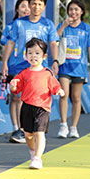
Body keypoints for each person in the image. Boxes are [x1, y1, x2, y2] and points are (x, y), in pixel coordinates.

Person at [9, 38, 65, 169]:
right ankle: (33, 152)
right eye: (30, 53)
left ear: (44, 56)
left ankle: (38, 158)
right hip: (26, 107)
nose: (33, 56)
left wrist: (59, 91)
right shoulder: (23, 73)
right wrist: (12, 86)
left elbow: (54, 86)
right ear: (26, 55)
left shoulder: (47, 73)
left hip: (42, 107)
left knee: (39, 133)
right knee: (28, 135)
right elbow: (16, 89)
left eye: (37, 53)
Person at [56, 0, 90, 139]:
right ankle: (63, 125)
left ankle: (73, 127)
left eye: (76, 9)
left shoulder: (87, 29)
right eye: (71, 9)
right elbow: (54, 40)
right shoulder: (64, 26)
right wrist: (63, 26)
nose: (73, 12)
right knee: (64, 94)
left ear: (82, 11)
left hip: (79, 67)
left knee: (76, 97)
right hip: (64, 66)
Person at [0, 0, 29, 143]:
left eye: (28, 6)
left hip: (28, 68)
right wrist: (4, 64)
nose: (26, 9)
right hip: (13, 67)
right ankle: (16, 127)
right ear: (17, 9)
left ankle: (25, 128)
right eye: (23, 6)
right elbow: (6, 45)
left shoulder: (33, 26)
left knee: (26, 98)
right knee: (15, 97)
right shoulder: (10, 27)